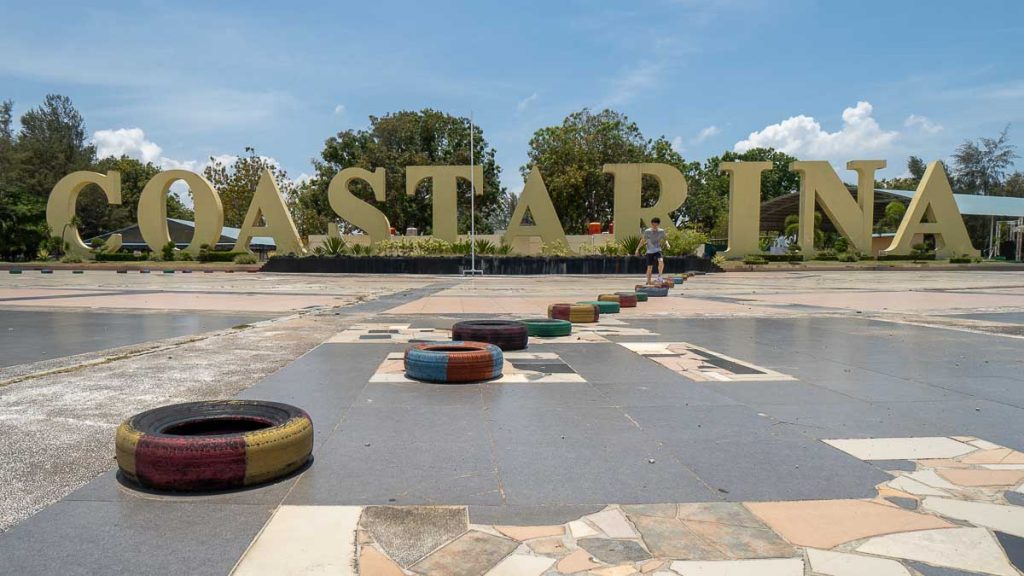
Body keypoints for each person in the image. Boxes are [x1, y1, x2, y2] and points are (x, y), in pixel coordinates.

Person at [636, 217, 670, 285]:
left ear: (658, 225)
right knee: (649, 267)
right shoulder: (647, 231)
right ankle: (648, 281)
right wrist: (637, 249)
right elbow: (642, 240)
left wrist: (667, 244)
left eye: (656, 225)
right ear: (651, 224)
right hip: (649, 251)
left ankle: (660, 276)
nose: (655, 227)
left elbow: (665, 239)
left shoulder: (661, 231)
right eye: (653, 225)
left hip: (658, 249)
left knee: (661, 261)